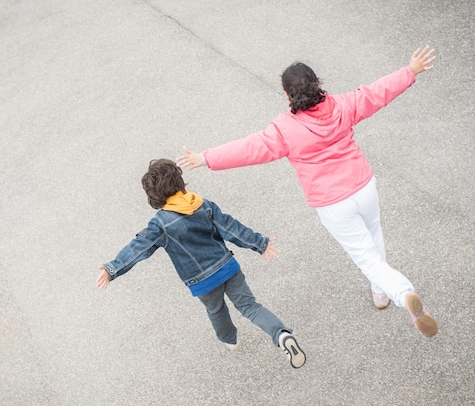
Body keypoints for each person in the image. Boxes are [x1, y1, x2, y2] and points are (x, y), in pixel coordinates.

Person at [177, 46, 438, 338]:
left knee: (365, 256)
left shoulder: (285, 129)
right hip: (364, 186)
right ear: (317, 84)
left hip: (333, 203)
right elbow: (376, 93)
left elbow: (249, 149)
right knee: (373, 235)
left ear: (288, 95)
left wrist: (206, 158)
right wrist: (409, 71)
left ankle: (403, 293)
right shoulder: (343, 105)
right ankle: (380, 291)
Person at [96, 158, 306, 368]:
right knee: (250, 306)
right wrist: (260, 243)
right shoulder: (201, 203)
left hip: (202, 283)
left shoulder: (160, 223)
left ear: (154, 196)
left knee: (216, 310)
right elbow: (231, 228)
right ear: (179, 180)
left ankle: (230, 340)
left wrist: (112, 269)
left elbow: (138, 247)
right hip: (228, 267)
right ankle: (281, 335)